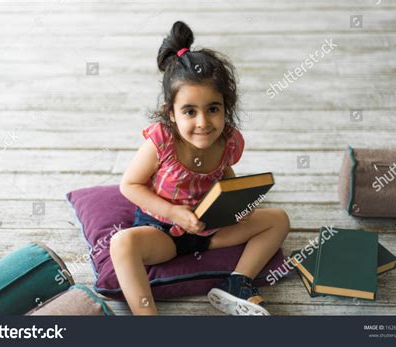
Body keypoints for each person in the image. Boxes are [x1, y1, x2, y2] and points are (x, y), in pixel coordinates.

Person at [110, 21, 290, 316]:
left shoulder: (227, 140)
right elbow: (129, 186)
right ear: (171, 113)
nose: (203, 123)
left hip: (211, 229)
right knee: (121, 244)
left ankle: (237, 282)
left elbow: (225, 175)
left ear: (225, 108)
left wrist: (235, 203)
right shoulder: (162, 140)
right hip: (164, 233)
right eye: (189, 111)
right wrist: (174, 213)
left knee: (278, 220)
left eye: (213, 109)